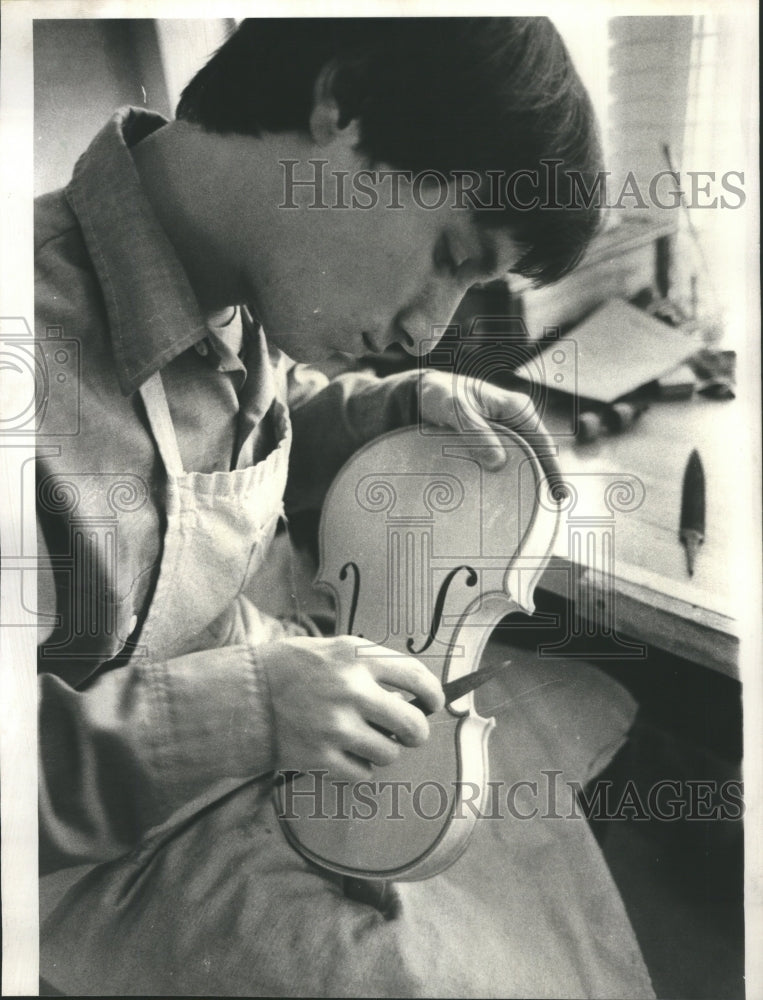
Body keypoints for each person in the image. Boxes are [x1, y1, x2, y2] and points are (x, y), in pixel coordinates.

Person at [36, 18, 654, 997]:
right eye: (451, 253)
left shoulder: (242, 276)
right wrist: (252, 705)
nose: (426, 332)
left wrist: (393, 410)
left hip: (267, 715)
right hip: (78, 856)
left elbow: (225, 433)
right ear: (341, 108)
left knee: (516, 872)